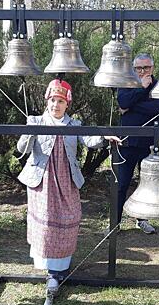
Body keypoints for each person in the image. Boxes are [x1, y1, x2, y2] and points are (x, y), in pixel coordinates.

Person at [17, 79, 121, 294]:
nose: (56, 105)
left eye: (61, 101)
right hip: (42, 181)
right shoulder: (35, 121)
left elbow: (90, 141)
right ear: (47, 101)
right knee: (46, 225)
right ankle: (51, 272)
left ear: (67, 104)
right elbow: (22, 148)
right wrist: (29, 132)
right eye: (53, 100)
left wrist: (104, 135)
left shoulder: (74, 125)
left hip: (67, 181)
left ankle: (60, 268)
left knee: (68, 220)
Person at [116, 53, 159, 234]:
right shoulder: (127, 82)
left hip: (149, 144)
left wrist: (130, 106)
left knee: (145, 186)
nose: (142, 71)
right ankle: (114, 223)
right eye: (138, 68)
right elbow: (122, 100)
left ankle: (142, 219)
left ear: (153, 68)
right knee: (121, 184)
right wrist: (140, 90)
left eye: (146, 68)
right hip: (127, 143)